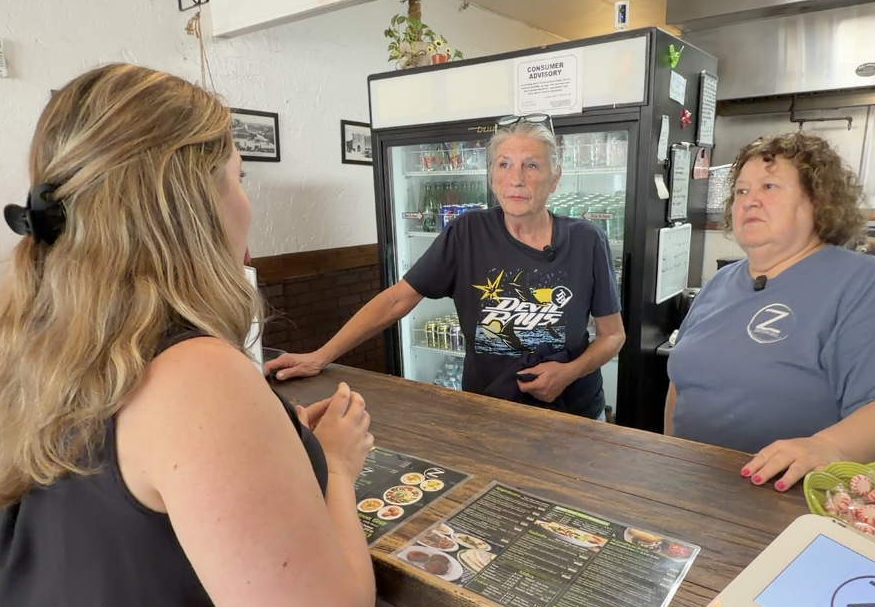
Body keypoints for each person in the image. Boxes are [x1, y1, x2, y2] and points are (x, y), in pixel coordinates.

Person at [0, 64, 374, 607]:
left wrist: (274, 450)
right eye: (239, 179)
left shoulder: (20, 348)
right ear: (191, 204)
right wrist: (334, 464)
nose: (247, 204)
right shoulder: (194, 374)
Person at [266, 115, 625, 420]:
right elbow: (396, 300)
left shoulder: (587, 239)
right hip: (489, 411)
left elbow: (613, 335)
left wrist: (568, 373)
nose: (517, 178)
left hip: (574, 413)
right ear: (492, 176)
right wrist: (319, 356)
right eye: (504, 164)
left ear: (555, 178)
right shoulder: (467, 232)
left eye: (531, 165)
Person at [665, 132, 875, 492]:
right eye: (742, 191)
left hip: (791, 496)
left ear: (818, 201)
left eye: (769, 186)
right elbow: (682, 383)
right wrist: (670, 453)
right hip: (692, 486)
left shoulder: (862, 282)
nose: (750, 201)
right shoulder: (720, 281)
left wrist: (828, 447)